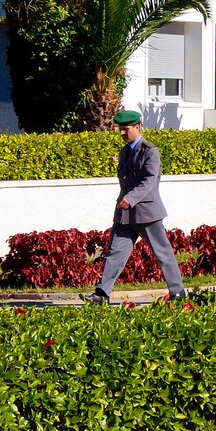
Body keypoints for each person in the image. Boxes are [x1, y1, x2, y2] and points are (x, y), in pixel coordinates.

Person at [84, 111, 186, 303]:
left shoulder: (150, 151)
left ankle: (178, 291)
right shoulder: (124, 152)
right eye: (120, 130)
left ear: (138, 126)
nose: (122, 133)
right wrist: (125, 202)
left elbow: (149, 180)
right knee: (115, 253)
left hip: (147, 212)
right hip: (125, 214)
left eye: (126, 129)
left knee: (162, 252)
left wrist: (131, 198)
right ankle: (102, 294)